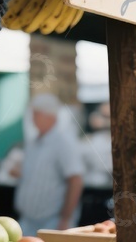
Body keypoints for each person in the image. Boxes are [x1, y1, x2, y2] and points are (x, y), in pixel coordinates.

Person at [14, 93, 84, 234]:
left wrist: (65, 218)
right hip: (27, 220)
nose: (32, 119)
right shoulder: (33, 142)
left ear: (50, 116)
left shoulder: (64, 143)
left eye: (36, 115)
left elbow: (76, 180)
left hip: (53, 222)